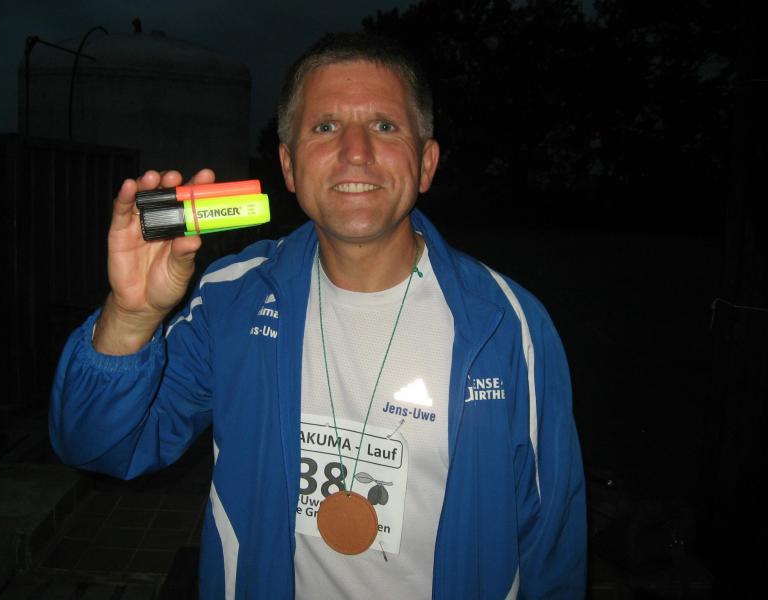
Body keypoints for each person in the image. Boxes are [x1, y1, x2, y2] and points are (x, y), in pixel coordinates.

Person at [50, 32, 586, 599]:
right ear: (288, 165)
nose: (356, 151)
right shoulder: (231, 300)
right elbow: (99, 446)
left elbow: (551, 543)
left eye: (385, 125)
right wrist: (131, 317)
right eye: (325, 127)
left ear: (426, 164)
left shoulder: (509, 327)